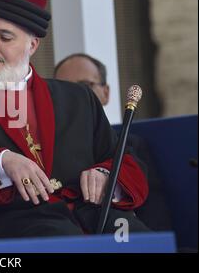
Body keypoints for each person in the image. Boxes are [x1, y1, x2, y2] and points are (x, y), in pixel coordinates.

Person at [0, 0, 150, 240]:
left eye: (4, 37)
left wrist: (105, 175)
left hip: (92, 217)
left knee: (143, 239)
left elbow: (123, 160)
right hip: (11, 227)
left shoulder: (78, 98)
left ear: (32, 45)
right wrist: (1, 163)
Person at [54, 53, 172, 231]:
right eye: (66, 88)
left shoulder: (129, 144)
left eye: (86, 86)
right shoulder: (44, 148)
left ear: (106, 93)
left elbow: (154, 214)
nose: (77, 96)